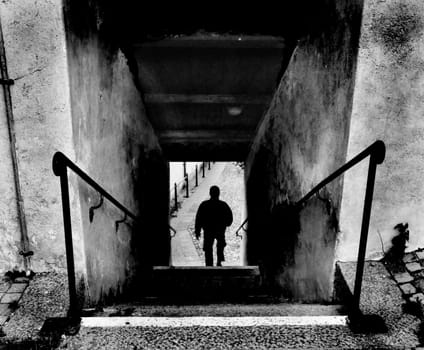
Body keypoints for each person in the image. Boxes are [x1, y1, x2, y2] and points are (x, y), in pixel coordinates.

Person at [195, 185, 233, 266]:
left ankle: (209, 265)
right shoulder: (223, 205)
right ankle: (219, 262)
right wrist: (226, 224)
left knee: (208, 248)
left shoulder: (204, 205)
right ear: (219, 194)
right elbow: (230, 218)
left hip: (208, 230)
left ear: (210, 193)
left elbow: (198, 218)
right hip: (220, 229)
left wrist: (197, 231)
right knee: (220, 246)